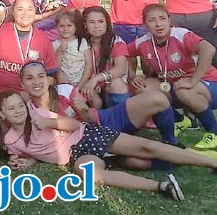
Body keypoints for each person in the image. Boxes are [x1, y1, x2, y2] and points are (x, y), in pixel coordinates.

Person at [0, 90, 217, 201]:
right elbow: (32, 151)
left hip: (88, 136)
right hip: (78, 154)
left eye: (20, 106)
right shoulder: (10, 140)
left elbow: (74, 124)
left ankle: (213, 162)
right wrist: (25, 160)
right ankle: (161, 186)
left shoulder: (39, 115)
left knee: (147, 147)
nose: (18, 111)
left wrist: (48, 121)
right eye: (11, 109)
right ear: (2, 114)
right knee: (90, 173)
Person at [22, 61, 178, 149]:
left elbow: (91, 113)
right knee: (134, 162)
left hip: (104, 121)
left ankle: (171, 141)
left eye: (41, 76)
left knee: (158, 99)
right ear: (22, 83)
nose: (36, 82)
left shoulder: (64, 90)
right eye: (29, 78)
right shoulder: (26, 109)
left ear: (48, 79)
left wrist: (84, 109)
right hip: (89, 141)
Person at [128, 4, 217, 149]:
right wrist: (133, 76)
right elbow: (123, 54)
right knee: (143, 88)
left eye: (162, 19)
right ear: (145, 24)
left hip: (209, 84)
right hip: (176, 86)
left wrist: (193, 80)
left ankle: (216, 133)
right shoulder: (144, 41)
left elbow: (209, 49)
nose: (158, 24)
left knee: (184, 91)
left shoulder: (180, 34)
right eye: (152, 20)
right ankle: (176, 128)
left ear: (169, 20)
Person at [0, 0, 57, 95]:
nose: (25, 13)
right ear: (13, 12)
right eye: (20, 9)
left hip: (32, 96)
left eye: (30, 9)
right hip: (1, 95)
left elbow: (50, 74)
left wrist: (36, 95)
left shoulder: (43, 39)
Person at [81, 6, 130, 108]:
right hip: (86, 86)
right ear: (85, 25)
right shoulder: (79, 43)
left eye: (101, 21)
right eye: (92, 22)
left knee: (116, 84)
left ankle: (120, 118)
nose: (97, 26)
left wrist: (96, 79)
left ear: (107, 23)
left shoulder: (116, 42)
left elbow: (121, 69)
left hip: (108, 86)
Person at [52, 10, 93, 89]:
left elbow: (89, 64)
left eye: (69, 25)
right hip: (64, 82)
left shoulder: (82, 42)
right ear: (57, 27)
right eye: (61, 26)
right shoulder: (55, 44)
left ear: (75, 27)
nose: (65, 29)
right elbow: (56, 67)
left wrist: (81, 84)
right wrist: (60, 51)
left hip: (82, 81)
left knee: (96, 101)